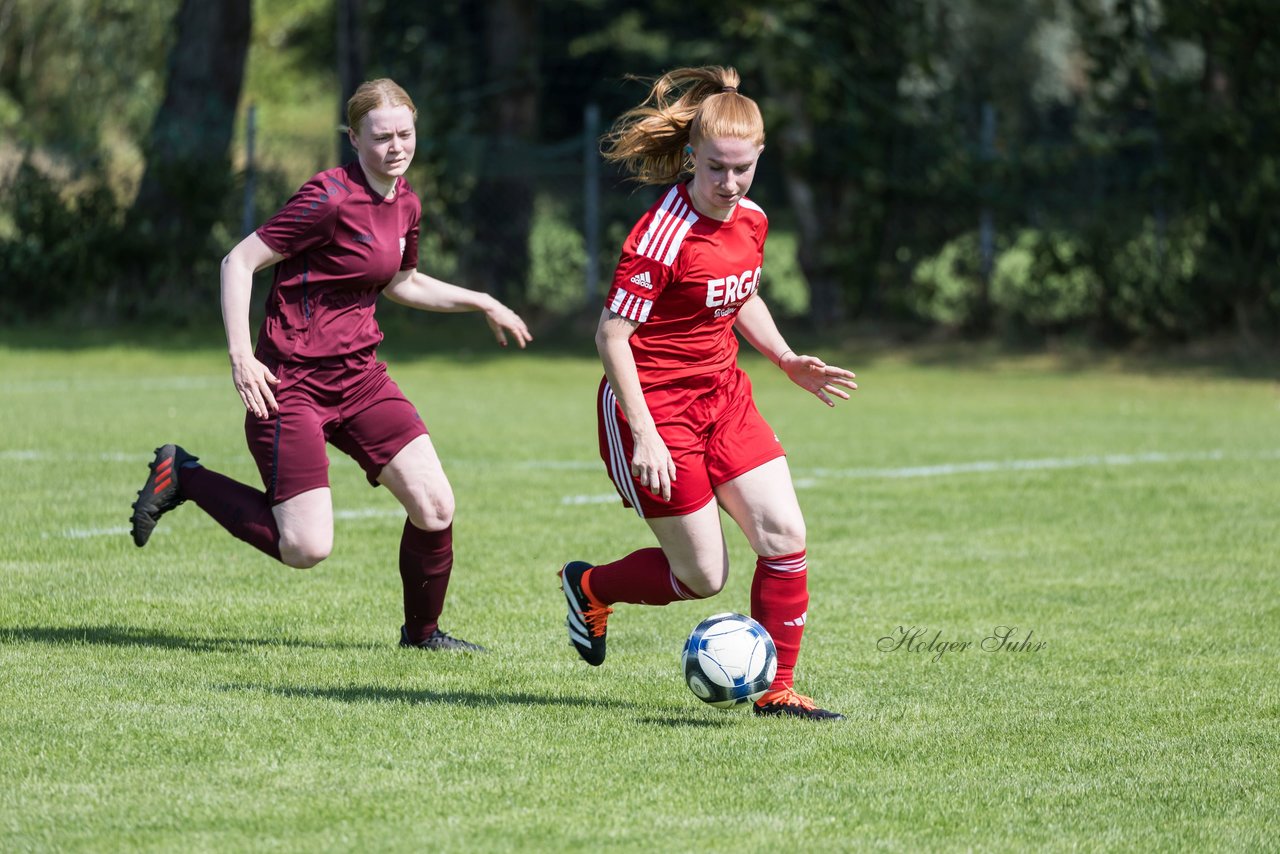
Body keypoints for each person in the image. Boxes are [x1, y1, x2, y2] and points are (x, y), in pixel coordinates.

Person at [130, 78, 531, 652]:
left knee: (437, 505)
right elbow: (238, 262)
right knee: (305, 548)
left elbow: (402, 282)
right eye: (382, 136)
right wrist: (241, 355)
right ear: (354, 138)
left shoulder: (406, 201)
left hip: (362, 380)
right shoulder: (327, 197)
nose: (396, 146)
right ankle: (184, 475)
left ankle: (422, 637)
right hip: (290, 385)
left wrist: (481, 300)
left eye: (405, 133)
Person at [559, 66, 857, 720]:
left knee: (783, 534)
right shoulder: (659, 235)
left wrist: (783, 358)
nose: (729, 184)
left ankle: (777, 692)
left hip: (724, 398)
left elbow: (740, 290)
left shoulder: (750, 219)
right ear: (693, 156)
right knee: (701, 578)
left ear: (758, 159)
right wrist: (644, 433)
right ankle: (590, 586)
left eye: (742, 170)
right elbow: (612, 336)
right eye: (717, 168)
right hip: (656, 410)